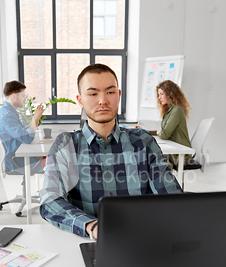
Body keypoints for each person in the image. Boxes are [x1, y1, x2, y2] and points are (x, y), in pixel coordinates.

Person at [39, 64, 182, 240]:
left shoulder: (142, 142)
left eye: (110, 92)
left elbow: (169, 194)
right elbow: (50, 200)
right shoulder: (66, 144)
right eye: (92, 94)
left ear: (119, 95)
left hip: (141, 238)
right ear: (80, 99)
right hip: (87, 240)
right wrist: (91, 226)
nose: (102, 101)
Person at [0, 81, 45, 174]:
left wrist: (36, 118)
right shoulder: (7, 116)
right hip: (17, 161)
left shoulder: (12, 112)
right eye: (23, 96)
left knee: (52, 157)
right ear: (14, 96)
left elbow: (26, 131)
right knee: (57, 162)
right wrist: (36, 117)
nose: (25, 99)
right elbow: (27, 138)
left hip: (22, 154)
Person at [156, 80, 193, 168]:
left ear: (170, 94)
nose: (159, 97)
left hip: (181, 154)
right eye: (158, 94)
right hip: (174, 151)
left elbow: (164, 134)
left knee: (152, 159)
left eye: (161, 94)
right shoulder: (169, 111)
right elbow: (163, 131)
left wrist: (159, 132)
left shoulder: (177, 110)